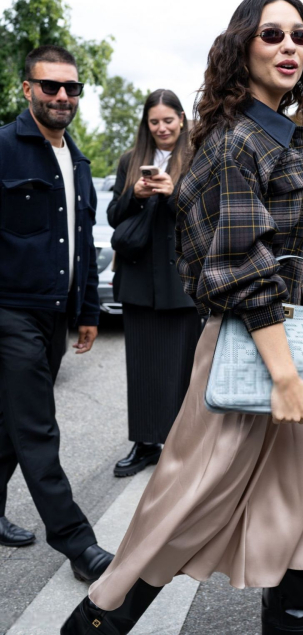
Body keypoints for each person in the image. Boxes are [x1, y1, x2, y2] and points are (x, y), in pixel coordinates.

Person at [62, 0, 303, 635]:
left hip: (282, 352)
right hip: (254, 354)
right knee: (182, 510)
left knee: (294, 513)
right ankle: (91, 624)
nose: (289, 47)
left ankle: (290, 619)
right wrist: (282, 376)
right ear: (242, 45)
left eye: (300, 37)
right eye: (272, 34)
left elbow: (276, 242)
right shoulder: (234, 140)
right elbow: (239, 266)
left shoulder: (272, 134)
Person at [0, 45, 113, 583]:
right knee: (38, 428)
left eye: (72, 88)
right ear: (28, 89)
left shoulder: (79, 161)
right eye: (51, 87)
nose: (63, 96)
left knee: (8, 428)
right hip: (9, 314)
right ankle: (78, 543)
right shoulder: (3, 148)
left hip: (53, 317)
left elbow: (83, 247)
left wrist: (86, 309)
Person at [109, 90, 201, 477]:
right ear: (146, 125)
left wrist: (173, 191)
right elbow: (114, 215)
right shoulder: (132, 161)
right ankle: (145, 442)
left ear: (181, 119)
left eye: (168, 120)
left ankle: (178, 447)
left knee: (180, 368)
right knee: (142, 367)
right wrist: (136, 192)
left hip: (180, 280)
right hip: (139, 279)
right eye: (154, 122)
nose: (161, 128)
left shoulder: (197, 156)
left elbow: (208, 214)